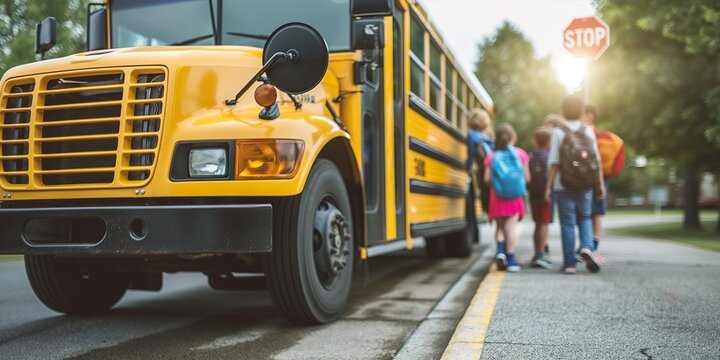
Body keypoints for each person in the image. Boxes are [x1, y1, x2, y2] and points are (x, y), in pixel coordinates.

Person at [544, 96, 604, 274]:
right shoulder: (588, 131)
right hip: (586, 184)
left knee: (567, 223)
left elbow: (554, 162)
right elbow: (597, 161)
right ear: (581, 112)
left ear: (562, 111)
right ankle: (587, 247)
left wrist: (548, 187)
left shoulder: (558, 132)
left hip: (563, 185)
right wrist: (600, 184)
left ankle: (569, 263)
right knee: (585, 218)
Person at [484, 123, 530, 272]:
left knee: (500, 227)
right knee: (511, 227)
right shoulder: (521, 154)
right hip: (514, 197)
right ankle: (510, 260)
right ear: (513, 137)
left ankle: (501, 252)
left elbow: (486, 179)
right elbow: (527, 178)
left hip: (497, 197)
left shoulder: (492, 156)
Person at [583, 104, 625, 260]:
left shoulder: (589, 134)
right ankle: (592, 246)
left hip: (587, 178)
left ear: (590, 115)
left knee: (589, 213)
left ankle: (588, 247)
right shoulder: (606, 137)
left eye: (584, 114)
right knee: (597, 212)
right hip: (602, 178)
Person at [528, 127, 553, 269]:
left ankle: (537, 252)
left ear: (535, 141)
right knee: (544, 224)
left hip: (534, 195)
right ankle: (541, 254)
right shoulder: (549, 156)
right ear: (549, 141)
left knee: (537, 224)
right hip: (545, 195)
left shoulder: (532, 156)